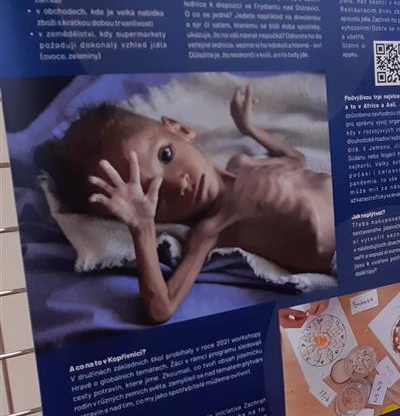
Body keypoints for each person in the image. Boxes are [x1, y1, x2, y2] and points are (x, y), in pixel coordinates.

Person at [45, 86, 335, 324]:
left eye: (166, 155)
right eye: (152, 195)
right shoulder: (211, 229)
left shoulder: (242, 162)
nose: (181, 185)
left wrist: (249, 128)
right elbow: (161, 308)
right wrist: (142, 228)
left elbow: (296, 161)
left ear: (181, 129)